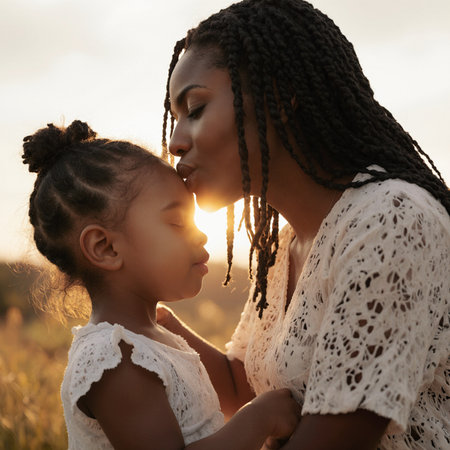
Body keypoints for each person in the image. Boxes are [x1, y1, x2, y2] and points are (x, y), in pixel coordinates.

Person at [159, 0, 450, 449]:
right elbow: (244, 386)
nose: (175, 142)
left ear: (279, 96)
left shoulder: (391, 219)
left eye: (194, 109)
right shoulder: (284, 244)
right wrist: (148, 318)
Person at [22, 119, 301, 449]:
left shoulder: (153, 340)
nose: (201, 233)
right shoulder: (113, 359)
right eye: (176, 222)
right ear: (105, 248)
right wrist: (259, 417)